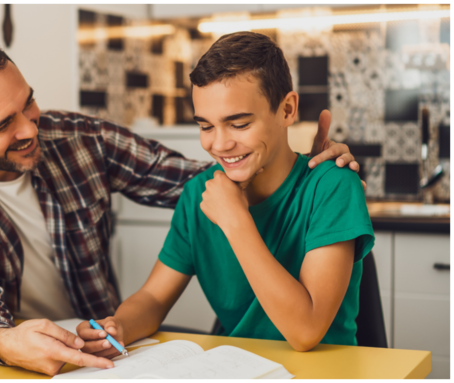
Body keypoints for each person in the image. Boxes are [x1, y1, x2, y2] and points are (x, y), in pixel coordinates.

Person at [0, 37, 362, 376]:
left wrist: (306, 163)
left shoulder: (83, 140)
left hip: (104, 345)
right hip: (20, 353)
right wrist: (7, 340)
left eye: (28, 104)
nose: (30, 129)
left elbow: (213, 177)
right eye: (2, 125)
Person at [77, 31, 375, 358]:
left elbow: (306, 332)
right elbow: (154, 298)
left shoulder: (332, 186)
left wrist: (235, 219)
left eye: (239, 124)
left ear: (287, 109)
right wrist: (119, 326)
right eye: (206, 127)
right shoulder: (198, 195)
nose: (218, 145)